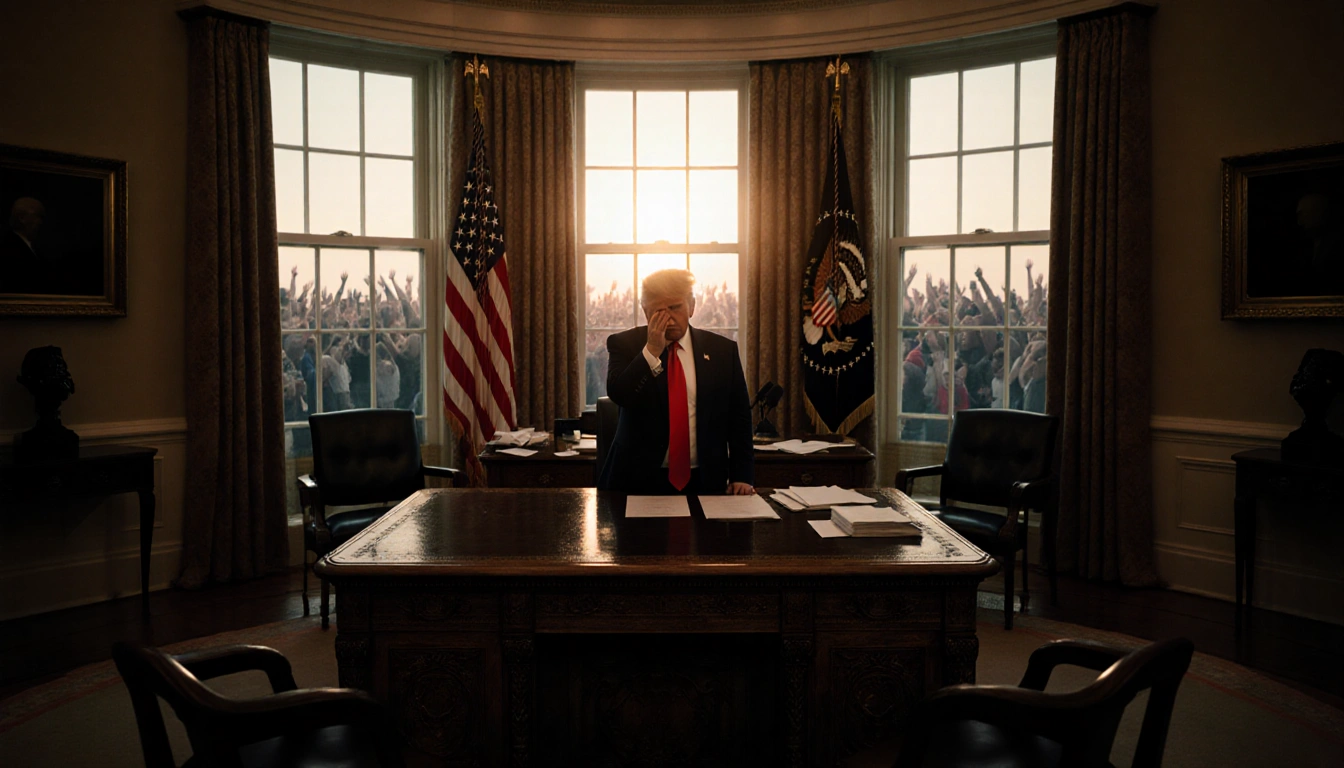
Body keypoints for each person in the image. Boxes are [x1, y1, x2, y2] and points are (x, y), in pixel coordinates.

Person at [598, 268, 754, 496]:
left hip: (705, 479)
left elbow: (738, 416)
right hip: (638, 480)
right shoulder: (625, 344)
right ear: (644, 310)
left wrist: (742, 474)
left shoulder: (722, 351)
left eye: (675, 308)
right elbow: (620, 394)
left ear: (691, 306)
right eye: (658, 311)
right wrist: (651, 351)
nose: (668, 319)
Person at [1, 197, 57, 294]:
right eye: (38, 216)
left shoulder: (31, 248)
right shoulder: (9, 250)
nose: (40, 222)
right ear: (22, 218)